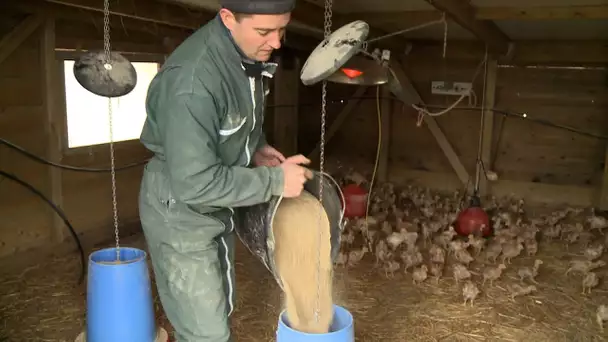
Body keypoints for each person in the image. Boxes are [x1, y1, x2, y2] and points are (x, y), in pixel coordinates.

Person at [137, 0, 310, 340]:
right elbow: (195, 183)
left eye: (282, 29)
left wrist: (256, 149)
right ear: (228, 18)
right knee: (207, 331)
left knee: (217, 306)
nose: (276, 42)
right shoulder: (193, 81)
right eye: (264, 31)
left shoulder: (243, 57)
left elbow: (238, 118)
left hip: (216, 203)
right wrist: (275, 181)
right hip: (181, 210)